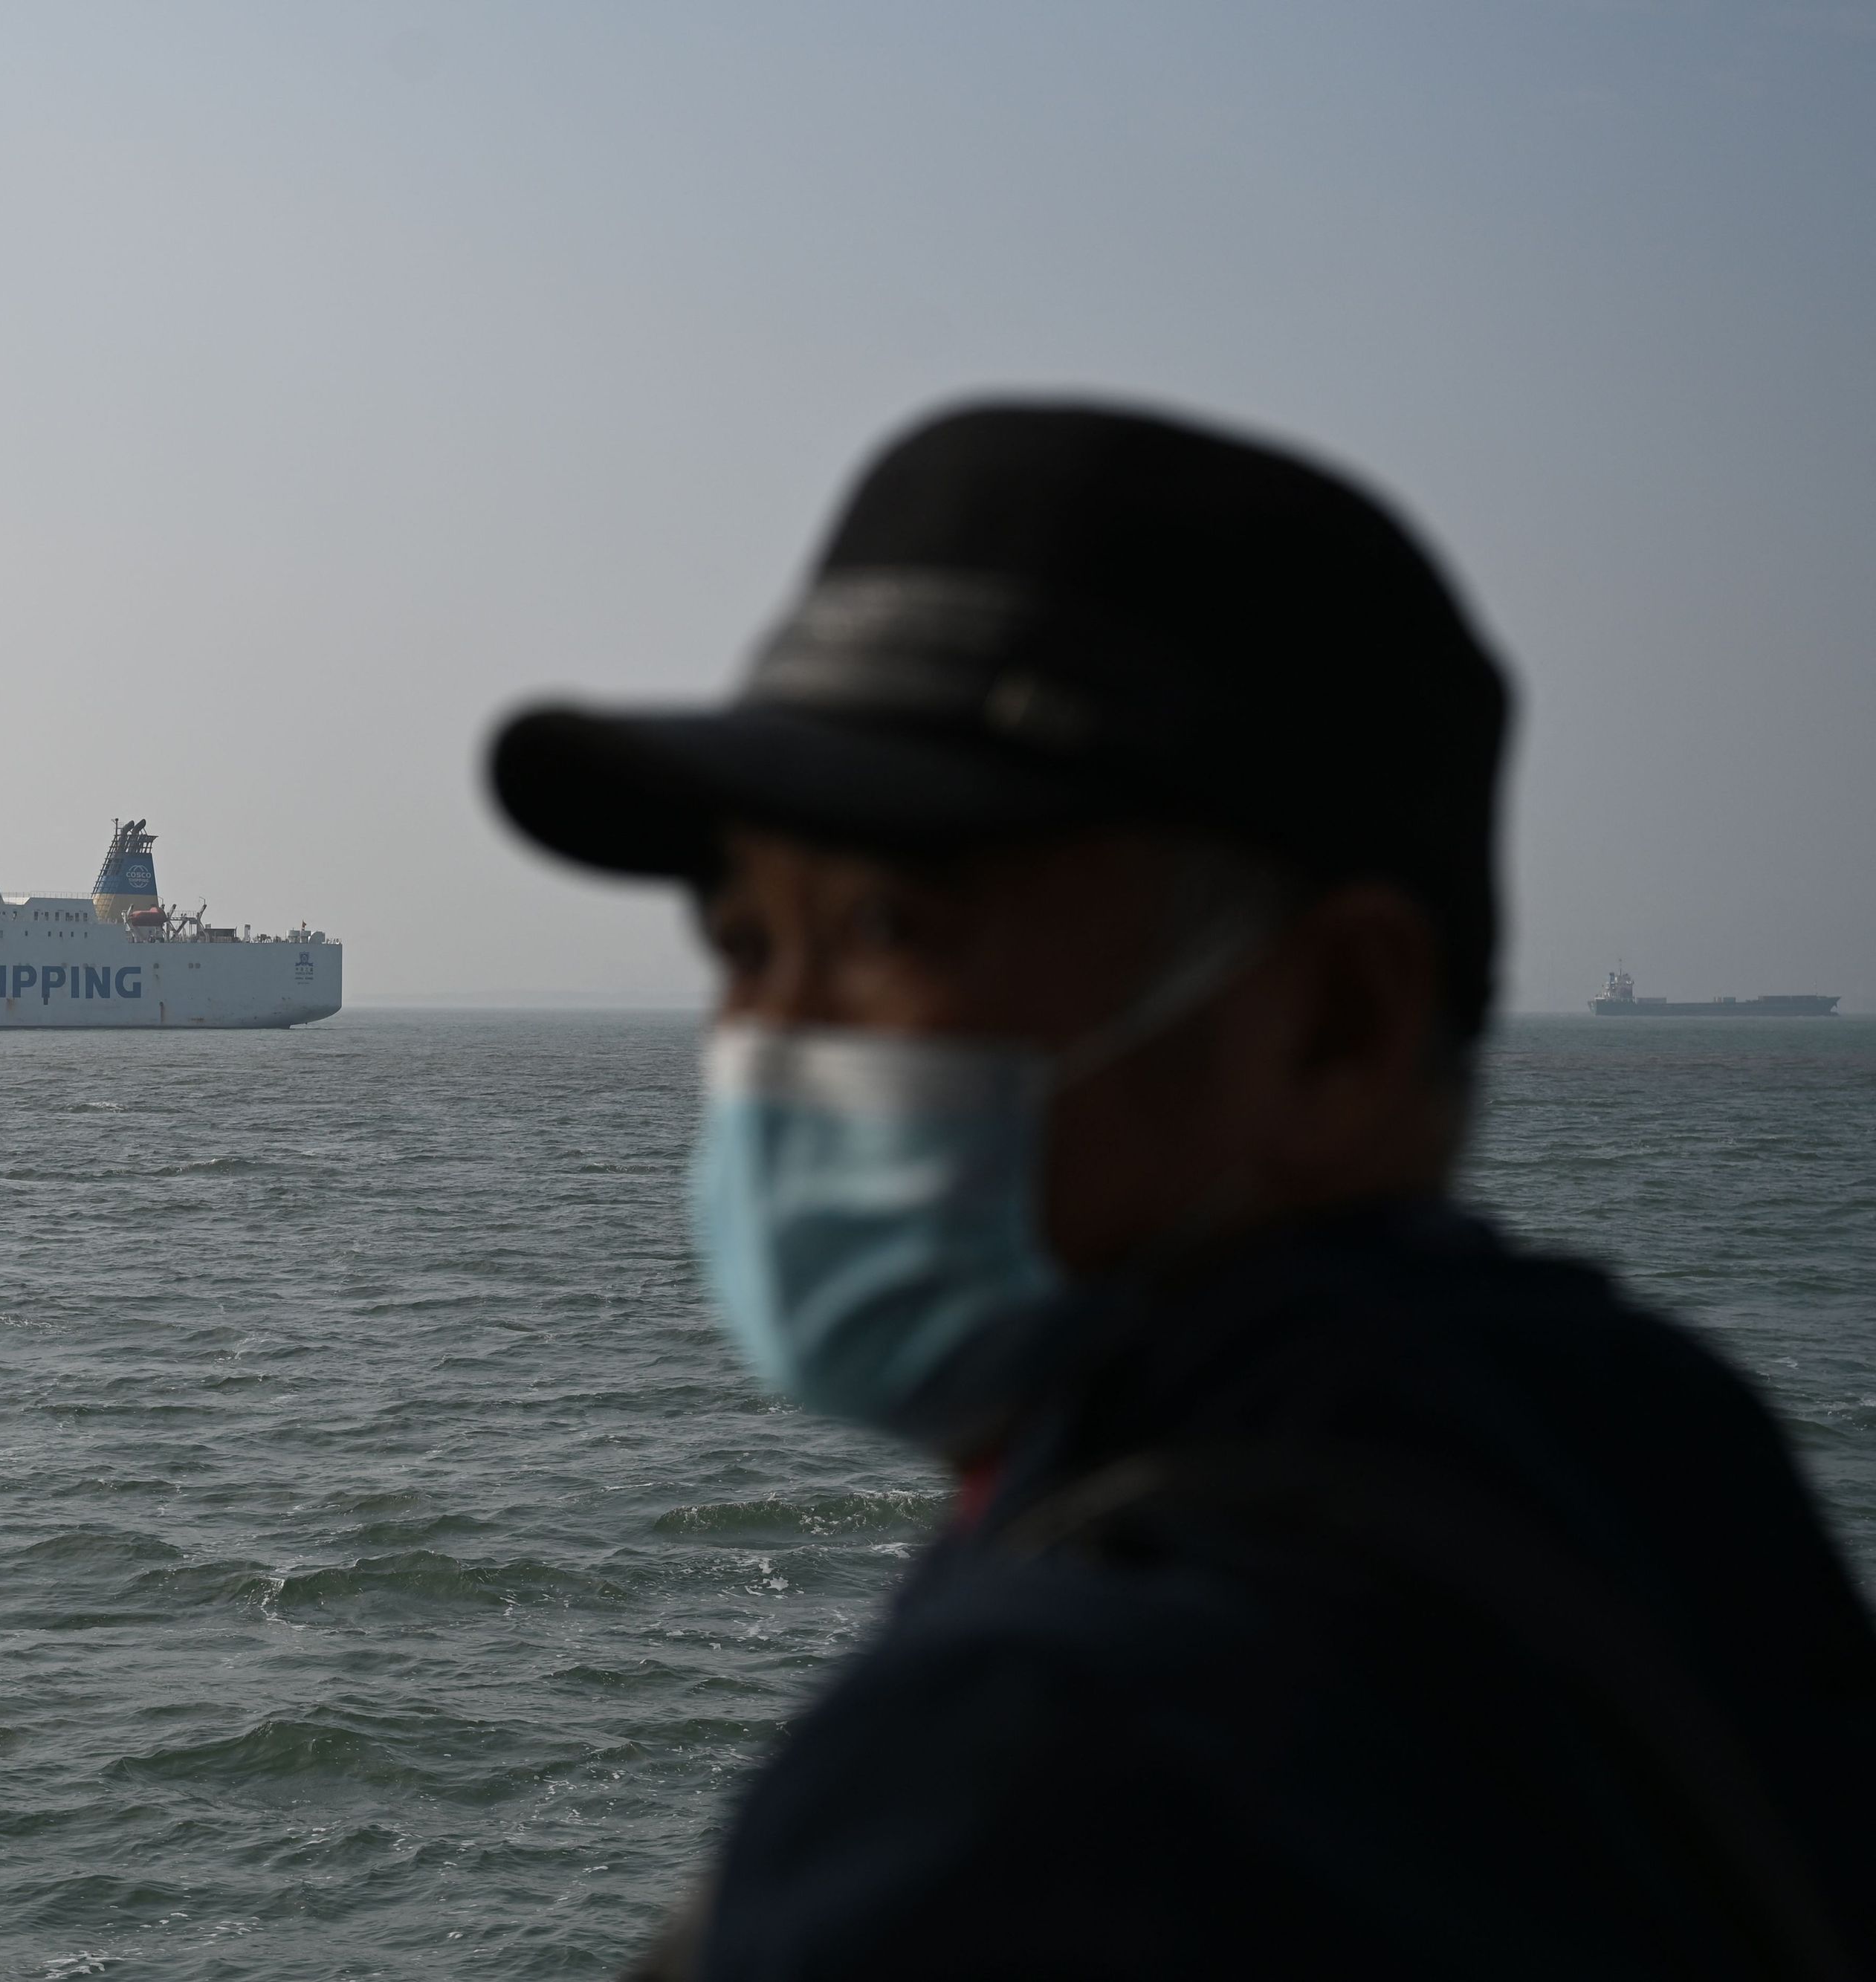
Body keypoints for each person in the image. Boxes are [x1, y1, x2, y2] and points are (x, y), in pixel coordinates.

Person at [486, 402, 1876, 1980]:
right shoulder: (1648, 1439)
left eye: (884, 929)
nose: (771, 1043)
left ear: (1335, 1023)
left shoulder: (1030, 1773)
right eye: (744, 943)